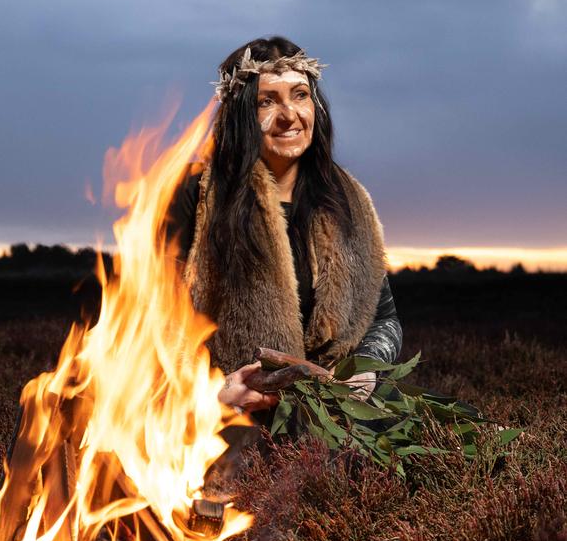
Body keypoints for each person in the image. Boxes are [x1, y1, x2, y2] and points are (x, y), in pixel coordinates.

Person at [168, 35, 402, 418]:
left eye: (300, 95)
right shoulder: (198, 195)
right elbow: (153, 321)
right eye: (267, 101)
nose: (289, 114)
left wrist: (365, 371)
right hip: (227, 414)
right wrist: (213, 392)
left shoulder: (349, 200)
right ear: (242, 113)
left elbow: (384, 321)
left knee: (450, 429)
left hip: (335, 409)